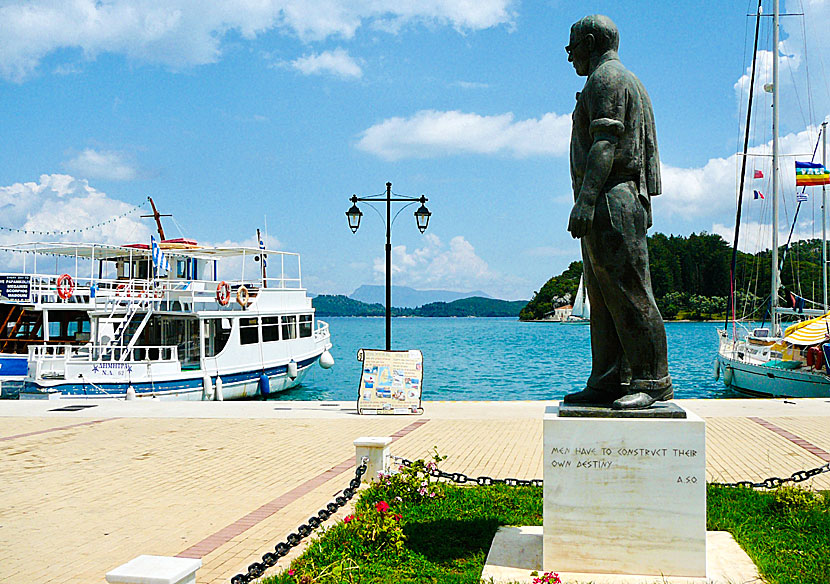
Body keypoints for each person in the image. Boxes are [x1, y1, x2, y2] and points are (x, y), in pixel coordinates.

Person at [563, 14, 672, 409]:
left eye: (572, 46)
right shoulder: (616, 80)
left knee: (629, 291)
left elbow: (605, 143)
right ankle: (609, 378)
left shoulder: (607, 79)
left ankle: (652, 381)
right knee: (603, 295)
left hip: (612, 195)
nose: (570, 56)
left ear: (590, 42)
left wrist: (586, 199)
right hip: (610, 195)